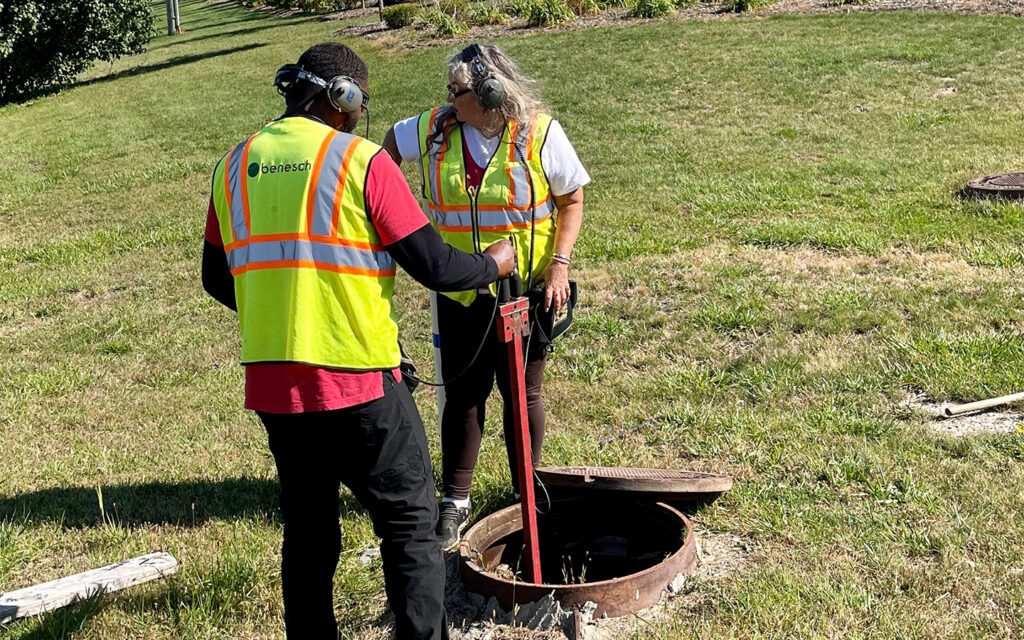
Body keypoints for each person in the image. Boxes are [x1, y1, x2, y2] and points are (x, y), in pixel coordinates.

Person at [201, 42, 514, 640]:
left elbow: (217, 277)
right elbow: (437, 266)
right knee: (409, 526)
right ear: (344, 98)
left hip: (274, 388)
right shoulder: (363, 162)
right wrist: (494, 263)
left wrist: (283, 305)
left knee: (310, 530)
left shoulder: (233, 165)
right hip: (360, 382)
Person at [383, 43, 590, 551]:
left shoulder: (540, 133)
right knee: (463, 396)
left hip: (524, 295)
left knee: (523, 393)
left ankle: (528, 494)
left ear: (491, 93)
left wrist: (559, 267)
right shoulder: (435, 128)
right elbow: (385, 148)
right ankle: (455, 501)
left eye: (457, 92)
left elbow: (573, 199)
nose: (448, 100)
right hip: (459, 293)